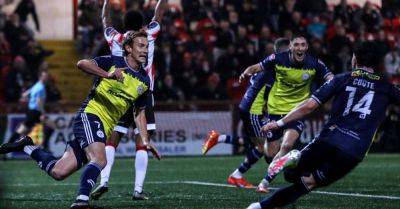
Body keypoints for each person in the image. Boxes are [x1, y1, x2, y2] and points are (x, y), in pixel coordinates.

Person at [0, 30, 159, 209]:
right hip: (90, 115)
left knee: (58, 172)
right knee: (100, 159)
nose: (145, 50)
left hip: (103, 128)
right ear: (128, 48)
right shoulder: (113, 62)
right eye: (141, 45)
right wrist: (107, 75)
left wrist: (145, 140)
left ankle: (26, 145)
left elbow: (139, 113)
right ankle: (81, 201)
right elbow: (81, 63)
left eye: (147, 46)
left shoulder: (144, 80)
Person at [247, 41, 400, 209]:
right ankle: (258, 207)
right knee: (308, 183)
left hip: (329, 138)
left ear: (355, 60)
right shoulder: (387, 88)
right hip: (354, 150)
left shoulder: (342, 79)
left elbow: (308, 106)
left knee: (291, 175)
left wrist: (279, 123)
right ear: (377, 63)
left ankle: (294, 158)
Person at [90, 0, 168, 200]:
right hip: (143, 91)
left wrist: (107, 2)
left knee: (112, 140)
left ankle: (104, 181)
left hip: (120, 93)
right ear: (142, 25)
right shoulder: (147, 36)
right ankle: (138, 190)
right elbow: (158, 15)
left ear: (124, 25)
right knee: (142, 141)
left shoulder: (116, 37)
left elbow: (105, 20)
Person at [239, 36, 333, 193]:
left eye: (303, 45)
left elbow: (330, 78)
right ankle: (288, 162)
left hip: (297, 111)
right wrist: (245, 72)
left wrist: (330, 86)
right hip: (275, 110)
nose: (300, 48)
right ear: (291, 47)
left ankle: (264, 183)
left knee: (287, 145)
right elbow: (256, 67)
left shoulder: (314, 63)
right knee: (270, 153)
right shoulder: (277, 59)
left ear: (307, 47)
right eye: (297, 45)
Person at [202, 38, 290, 188]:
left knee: (256, 143)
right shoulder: (274, 70)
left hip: (248, 107)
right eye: (290, 50)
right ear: (284, 52)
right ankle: (236, 174)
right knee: (263, 148)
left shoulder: (266, 65)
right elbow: (269, 96)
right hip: (253, 111)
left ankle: (220, 139)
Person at [6, 70, 49, 144]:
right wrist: (43, 113)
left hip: (32, 111)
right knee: (50, 126)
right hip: (35, 112)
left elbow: (24, 95)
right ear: (40, 77)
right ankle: (7, 146)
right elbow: (39, 103)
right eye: (45, 76)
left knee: (26, 130)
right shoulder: (40, 88)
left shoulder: (36, 85)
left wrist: (30, 100)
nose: (46, 78)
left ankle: (9, 145)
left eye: (47, 76)